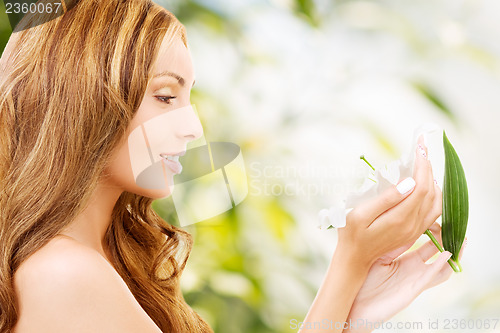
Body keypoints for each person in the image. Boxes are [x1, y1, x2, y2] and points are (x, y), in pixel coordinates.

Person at [0, 1, 463, 332]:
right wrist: (349, 263)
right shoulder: (65, 274)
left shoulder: (96, 261)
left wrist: (352, 308)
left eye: (189, 96)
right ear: (82, 103)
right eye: (165, 97)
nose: (193, 128)